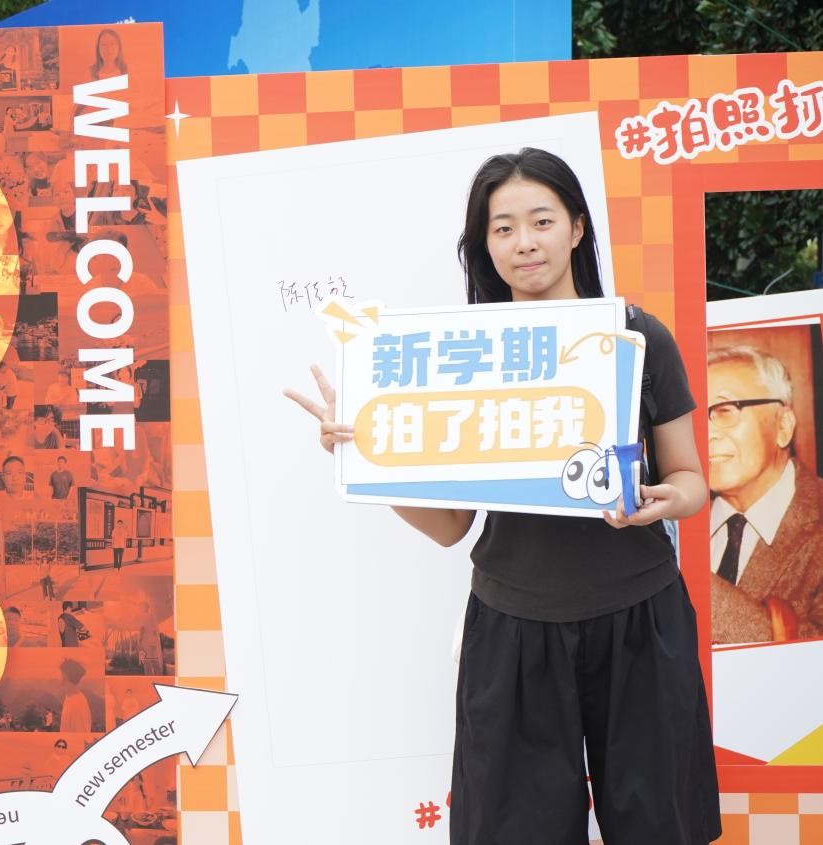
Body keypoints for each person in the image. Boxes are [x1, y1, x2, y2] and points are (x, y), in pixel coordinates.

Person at [286, 147, 719, 844]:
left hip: (639, 618)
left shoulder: (636, 336)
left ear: (576, 227)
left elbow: (692, 479)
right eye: (503, 228)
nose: (525, 243)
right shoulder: (460, 353)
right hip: (513, 628)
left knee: (659, 825)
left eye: (542, 220)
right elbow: (449, 526)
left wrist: (668, 500)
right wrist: (367, 458)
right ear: (484, 245)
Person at [708, 345, 823, 643]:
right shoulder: (672, 523)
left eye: (724, 411)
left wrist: (695, 587)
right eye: (694, 418)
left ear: (783, 425)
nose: (706, 434)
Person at [58, 658, 92, 732]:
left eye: (64, 678)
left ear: (73, 679)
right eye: (61, 677)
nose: (61, 682)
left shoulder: (78, 706)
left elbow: (81, 735)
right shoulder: (69, 697)